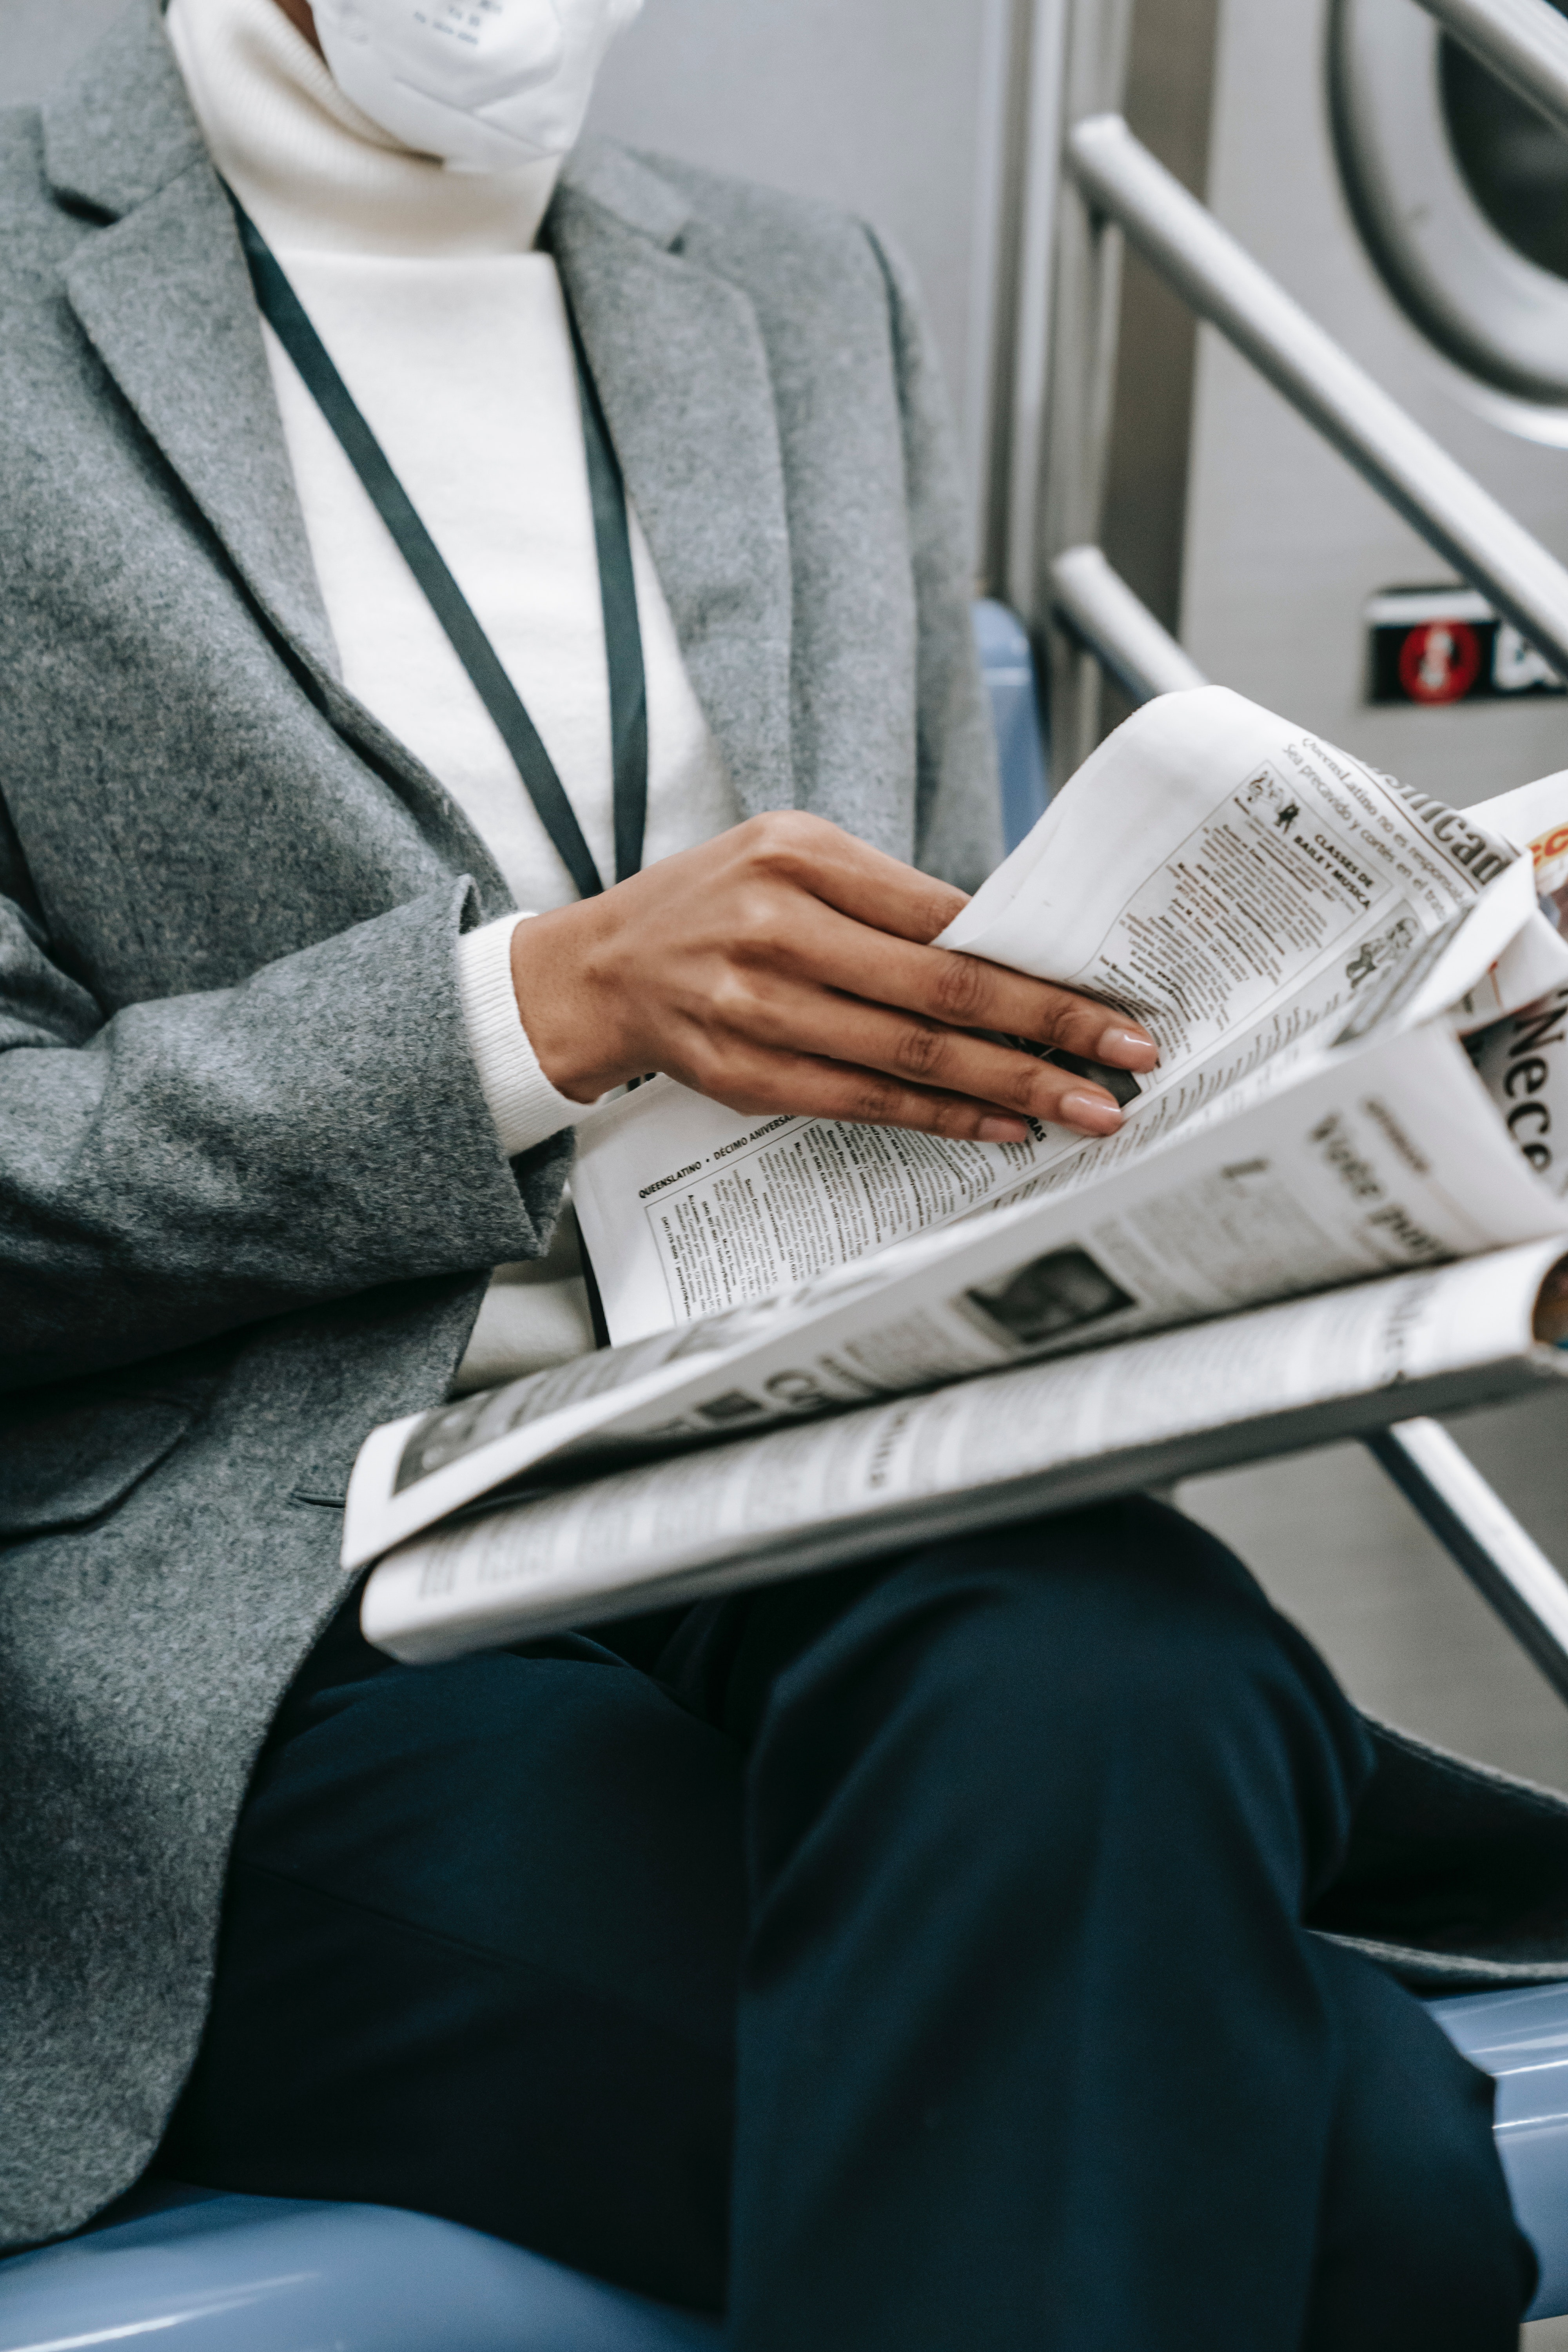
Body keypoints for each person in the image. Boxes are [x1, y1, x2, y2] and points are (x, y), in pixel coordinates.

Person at [0, 1, 1556, 2341]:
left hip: (790, 1456)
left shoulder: (812, 293)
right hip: (263, 1613)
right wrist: (532, 1013)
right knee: (1380, 2185)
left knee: (1139, 1648)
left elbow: (958, 1008)